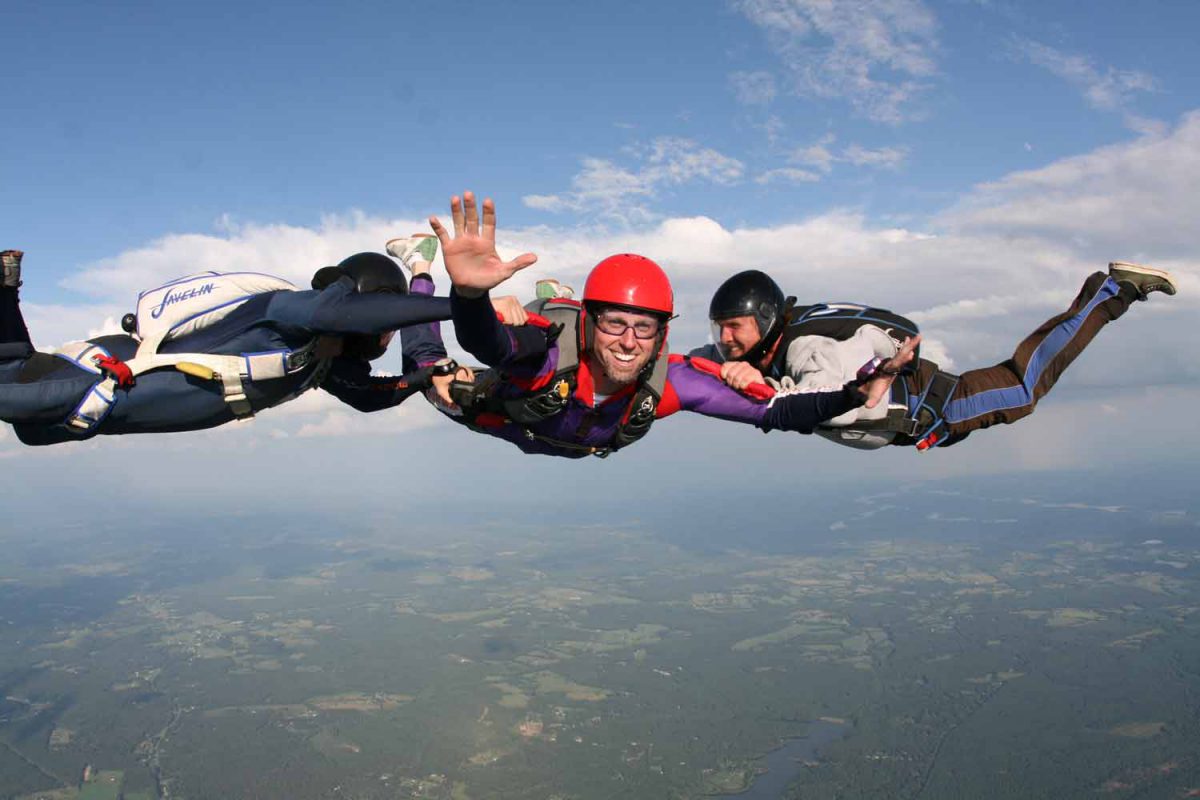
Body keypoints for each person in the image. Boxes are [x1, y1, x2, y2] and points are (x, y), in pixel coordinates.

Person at [401, 192, 916, 458]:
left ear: (662, 333)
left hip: (569, 438)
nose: (628, 342)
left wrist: (852, 393)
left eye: (643, 328)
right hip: (506, 415)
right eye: (615, 324)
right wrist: (468, 293)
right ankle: (419, 269)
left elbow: (780, 412)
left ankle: (552, 296)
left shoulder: (670, 380)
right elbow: (487, 343)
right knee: (431, 371)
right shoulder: (548, 353)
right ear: (590, 323)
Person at [0, 248, 462, 446]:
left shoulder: (321, 361)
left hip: (99, 409)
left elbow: (367, 398)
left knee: (30, 424)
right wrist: (464, 307)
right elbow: (340, 314)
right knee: (13, 398)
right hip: (96, 380)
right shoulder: (288, 313)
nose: (386, 336)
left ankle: (4, 288)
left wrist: (423, 378)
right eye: (386, 321)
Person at [696, 263, 1178, 450]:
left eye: (733, 327)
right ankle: (1111, 290)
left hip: (945, 405)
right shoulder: (790, 336)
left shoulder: (806, 347)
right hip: (927, 394)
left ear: (763, 318)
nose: (726, 338)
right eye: (720, 329)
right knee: (1022, 381)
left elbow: (828, 401)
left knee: (1025, 387)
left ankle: (1114, 291)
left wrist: (755, 386)